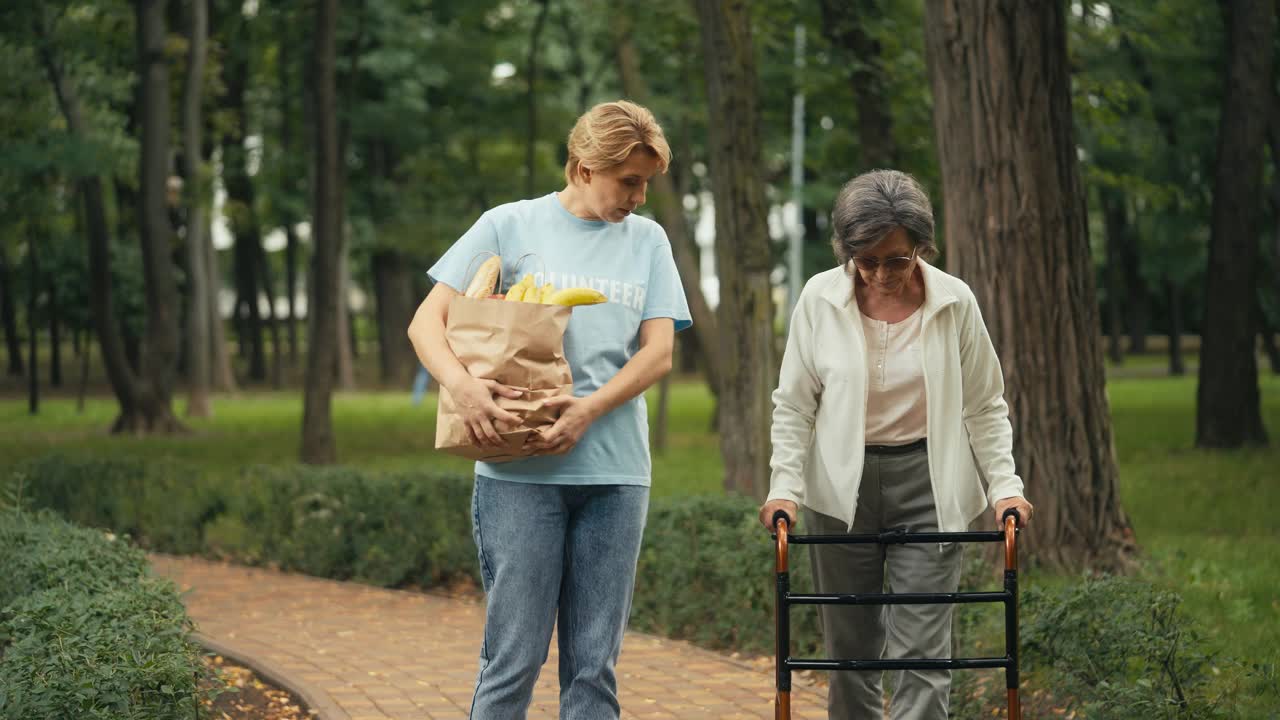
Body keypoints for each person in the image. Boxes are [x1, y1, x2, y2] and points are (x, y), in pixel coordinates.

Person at [407, 100, 691, 720]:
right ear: (585, 166)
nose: (640, 197)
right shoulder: (508, 226)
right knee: (513, 662)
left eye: (647, 183)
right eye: (630, 181)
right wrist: (462, 388)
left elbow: (659, 352)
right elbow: (427, 323)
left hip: (615, 476)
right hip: (517, 476)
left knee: (593, 670)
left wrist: (587, 410)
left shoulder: (648, 241)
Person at [757, 170, 1034, 720]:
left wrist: (1005, 487)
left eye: (898, 259)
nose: (882, 273)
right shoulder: (819, 299)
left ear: (921, 249)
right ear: (848, 252)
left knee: (923, 653)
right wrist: (783, 488)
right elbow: (794, 404)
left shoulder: (954, 302)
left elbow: (985, 405)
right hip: (840, 490)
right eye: (868, 261)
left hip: (928, 484)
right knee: (850, 653)